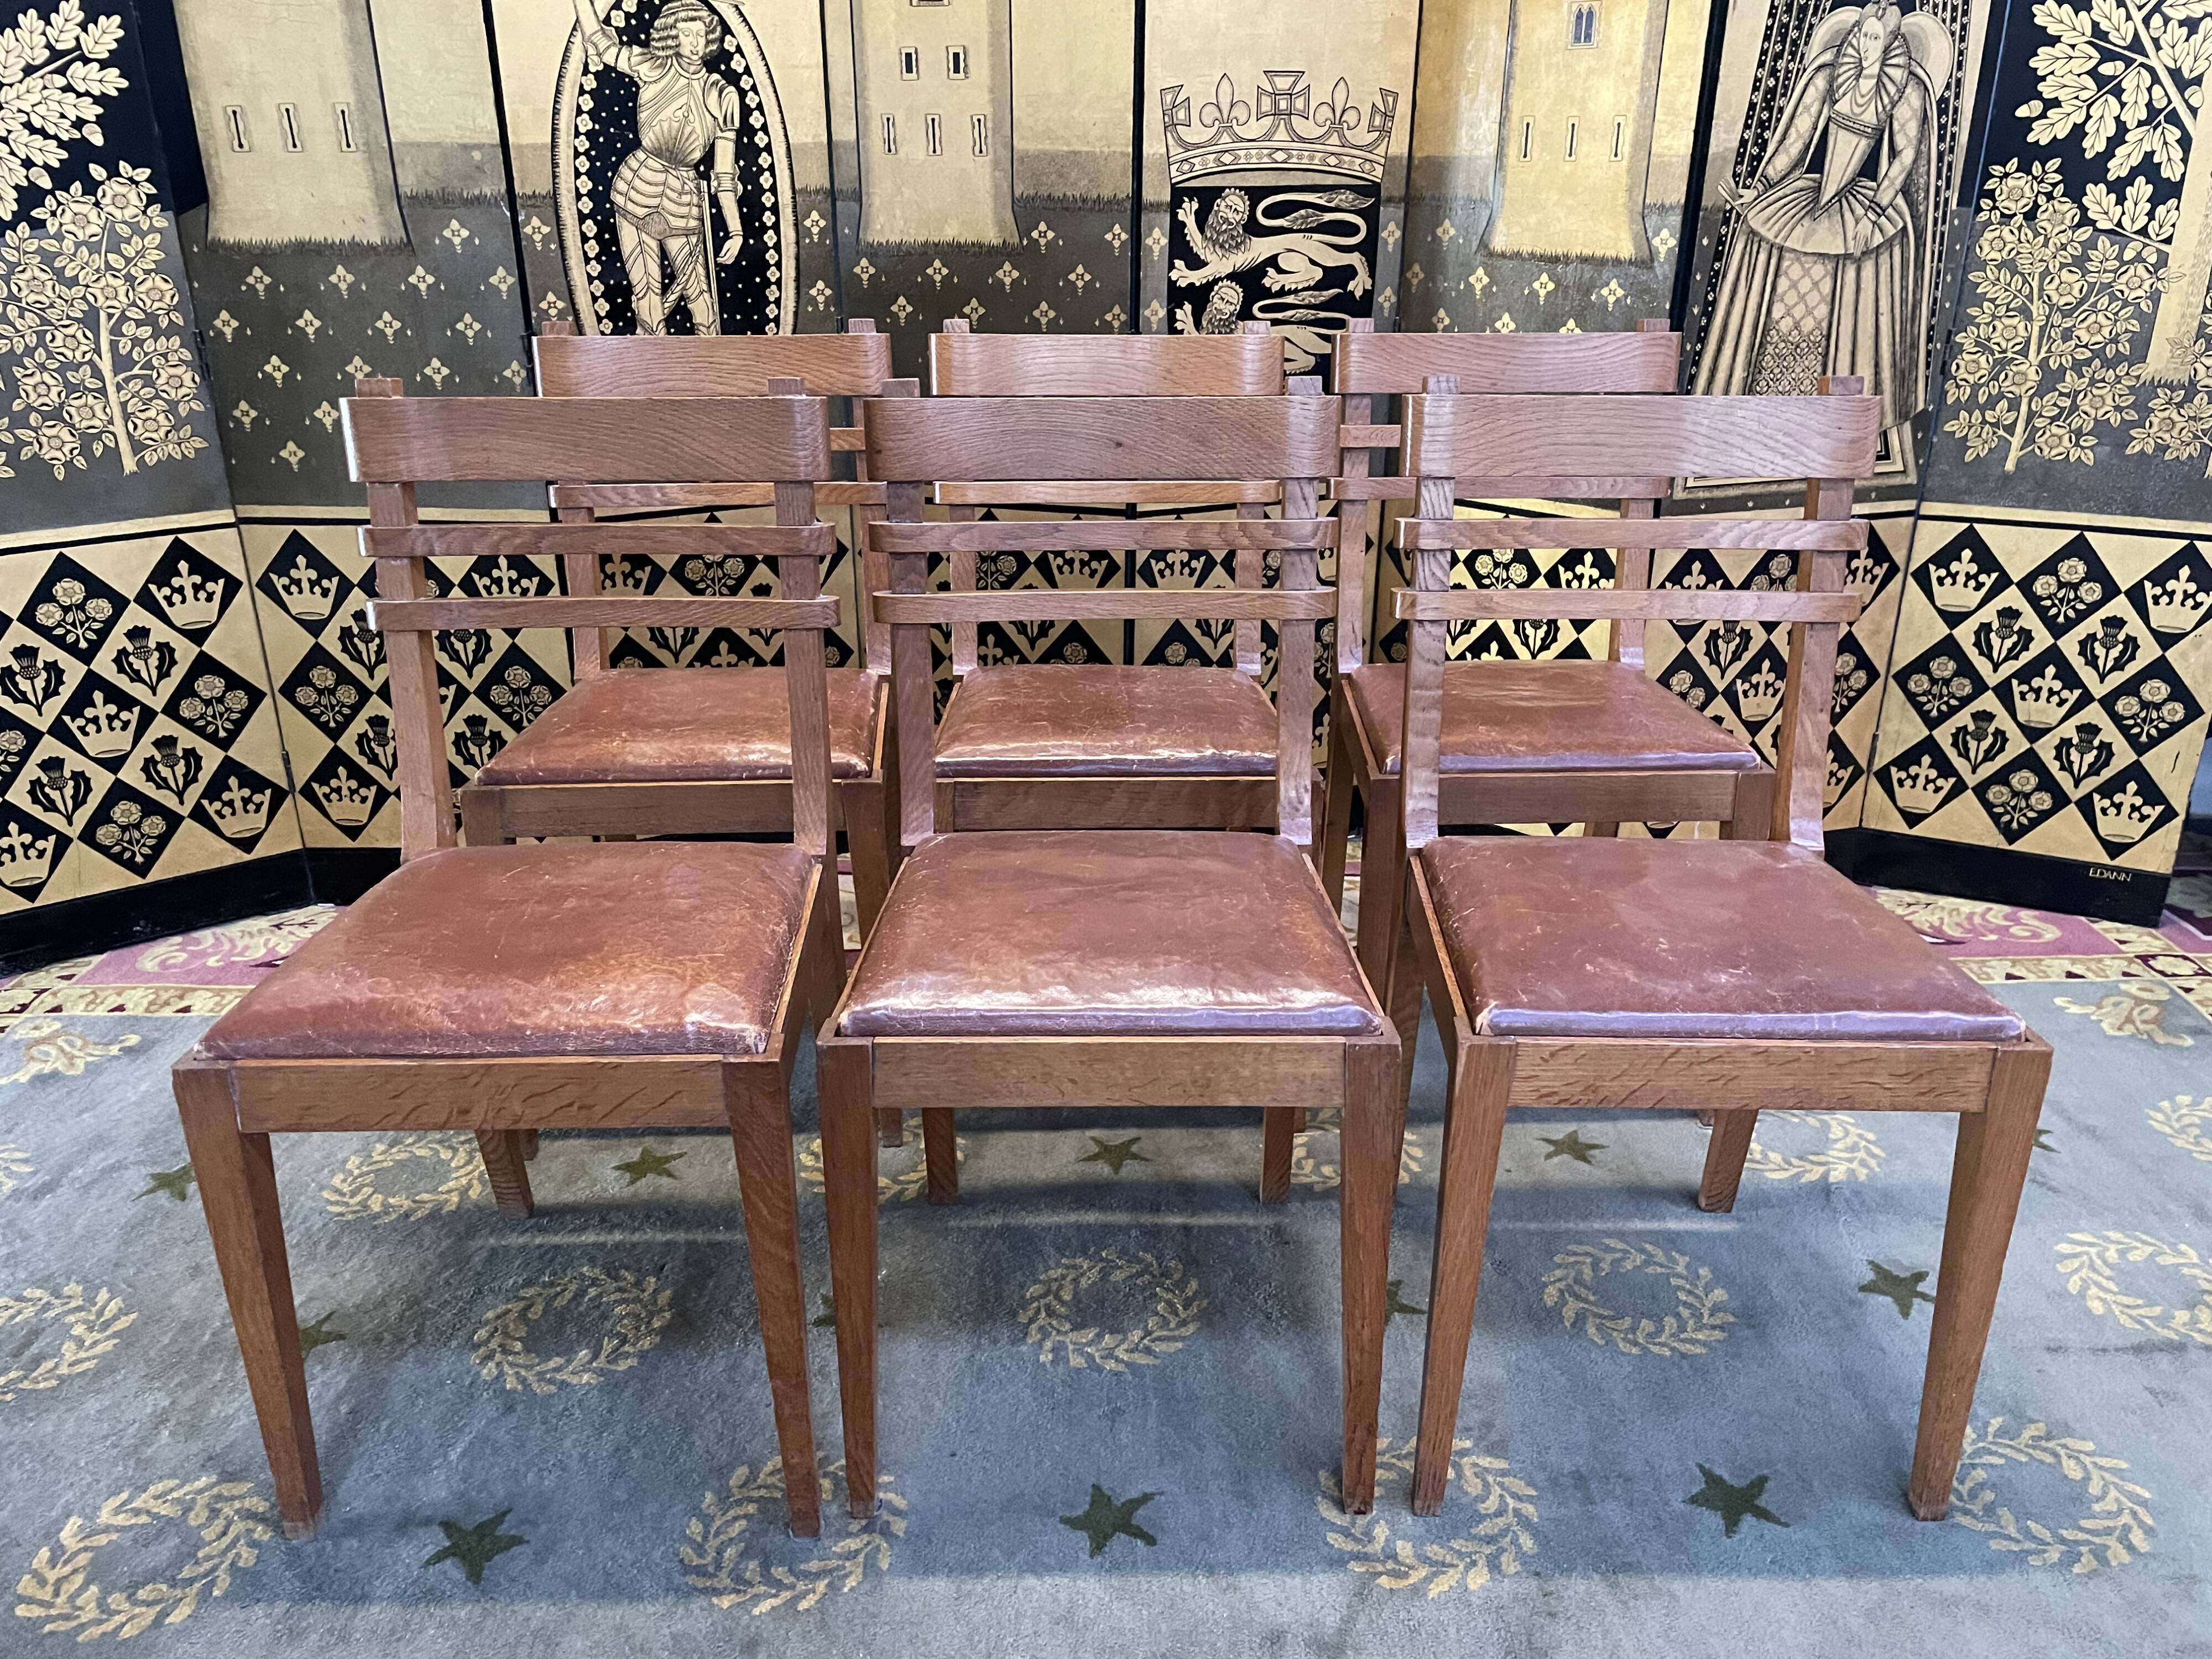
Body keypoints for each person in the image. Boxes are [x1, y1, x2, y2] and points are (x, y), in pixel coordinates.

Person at [1692, 0, 1951, 427]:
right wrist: (1760, 187)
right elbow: (1798, 138)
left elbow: (1904, 158)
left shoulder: (1908, 89)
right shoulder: (1832, 73)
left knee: (1854, 268)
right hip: (1809, 198)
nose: (1868, 46)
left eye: (1876, 39)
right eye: (1864, 35)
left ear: (1892, 44)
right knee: (1769, 240)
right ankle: (1768, 401)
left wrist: (1874, 212)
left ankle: (1841, 416)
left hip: (1867, 203)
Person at [570, 0, 745, 334]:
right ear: (671, 36)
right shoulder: (653, 66)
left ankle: (711, 377)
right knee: (647, 296)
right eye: (686, 33)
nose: (695, 42)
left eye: (701, 33)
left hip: (684, 198)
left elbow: (725, 175)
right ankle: (654, 380)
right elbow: (599, 41)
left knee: (701, 301)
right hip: (637, 187)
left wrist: (735, 229)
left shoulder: (723, 94)